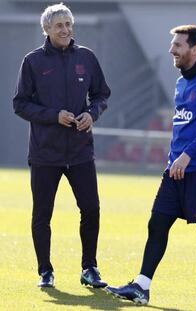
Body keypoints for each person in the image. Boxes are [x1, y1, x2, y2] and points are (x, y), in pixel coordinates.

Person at [105, 25, 196, 308]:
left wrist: (187, 155)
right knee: (157, 223)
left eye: (177, 45)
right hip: (175, 169)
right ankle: (142, 286)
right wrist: (178, 157)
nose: (171, 50)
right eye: (172, 44)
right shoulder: (180, 82)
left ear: (195, 49)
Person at [13, 3, 110, 288]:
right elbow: (19, 104)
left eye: (68, 24)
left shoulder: (87, 58)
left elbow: (102, 94)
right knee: (42, 214)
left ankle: (89, 269)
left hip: (81, 152)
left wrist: (92, 114)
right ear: (47, 29)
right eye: (59, 26)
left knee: (91, 209)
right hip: (45, 153)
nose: (66, 30)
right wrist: (53, 116)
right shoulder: (32, 62)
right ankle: (45, 271)